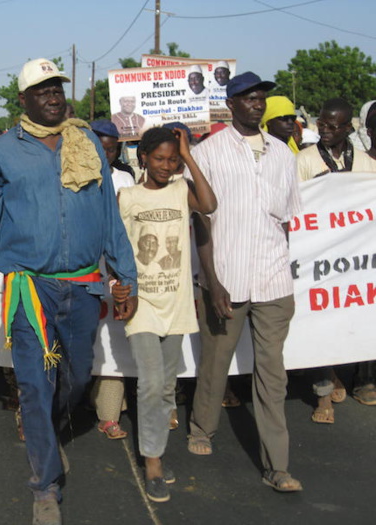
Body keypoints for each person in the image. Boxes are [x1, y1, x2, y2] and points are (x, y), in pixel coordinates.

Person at [0, 58, 138, 525]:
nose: (54, 96)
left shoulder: (87, 145)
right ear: (22, 99)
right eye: (42, 90)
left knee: (75, 378)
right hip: (28, 289)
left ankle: (52, 433)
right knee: (35, 385)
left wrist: (126, 277)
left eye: (57, 87)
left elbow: (108, 217)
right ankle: (44, 485)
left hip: (82, 287)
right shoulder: (2, 152)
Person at [186, 72, 303, 493]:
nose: (257, 104)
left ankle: (278, 466)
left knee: (273, 375)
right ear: (231, 104)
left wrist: (284, 271)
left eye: (261, 99)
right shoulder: (209, 153)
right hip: (227, 280)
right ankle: (202, 428)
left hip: (273, 281)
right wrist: (212, 281)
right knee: (216, 362)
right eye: (249, 98)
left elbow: (285, 222)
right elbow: (201, 223)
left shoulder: (283, 155)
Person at [113, 126, 216, 503]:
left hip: (176, 302)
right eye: (159, 158)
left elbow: (208, 204)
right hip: (141, 304)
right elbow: (115, 249)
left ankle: (155, 447)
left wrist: (189, 157)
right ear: (142, 158)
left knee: (168, 386)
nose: (166, 165)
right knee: (151, 383)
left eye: (173, 159)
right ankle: (153, 463)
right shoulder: (127, 197)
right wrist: (118, 288)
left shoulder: (180, 190)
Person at [296, 98, 376, 418]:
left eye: (332, 126)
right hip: (319, 258)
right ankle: (323, 394)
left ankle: (355, 376)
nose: (324, 131)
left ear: (348, 128)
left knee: (359, 315)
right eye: (321, 125)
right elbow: (294, 203)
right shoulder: (303, 161)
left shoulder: (366, 163)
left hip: (356, 260)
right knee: (320, 320)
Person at [89, 119, 134, 441]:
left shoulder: (125, 178)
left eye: (112, 148)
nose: (106, 153)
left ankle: (109, 412)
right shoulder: (73, 177)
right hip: (85, 270)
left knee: (113, 338)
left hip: (116, 269)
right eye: (100, 147)